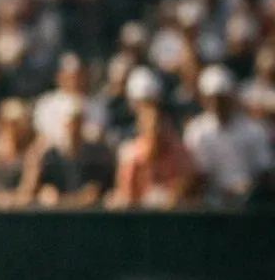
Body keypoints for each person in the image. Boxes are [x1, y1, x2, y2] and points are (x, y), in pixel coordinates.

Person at [183, 65, 272, 207]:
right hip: (210, 207)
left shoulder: (254, 130)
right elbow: (198, 175)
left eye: (222, 98)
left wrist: (249, 187)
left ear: (231, 97)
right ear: (204, 98)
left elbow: (264, 172)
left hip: (249, 205)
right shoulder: (196, 131)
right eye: (212, 98)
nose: (217, 103)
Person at [109, 71, 195, 209]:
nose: (156, 130)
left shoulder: (178, 150)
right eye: (151, 127)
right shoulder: (130, 154)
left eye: (159, 124)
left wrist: (173, 195)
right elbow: (127, 196)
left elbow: (188, 182)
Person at [19, 96, 114, 206]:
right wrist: (48, 192)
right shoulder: (51, 155)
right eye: (70, 123)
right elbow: (44, 187)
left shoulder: (96, 154)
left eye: (77, 122)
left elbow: (98, 187)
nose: (73, 127)